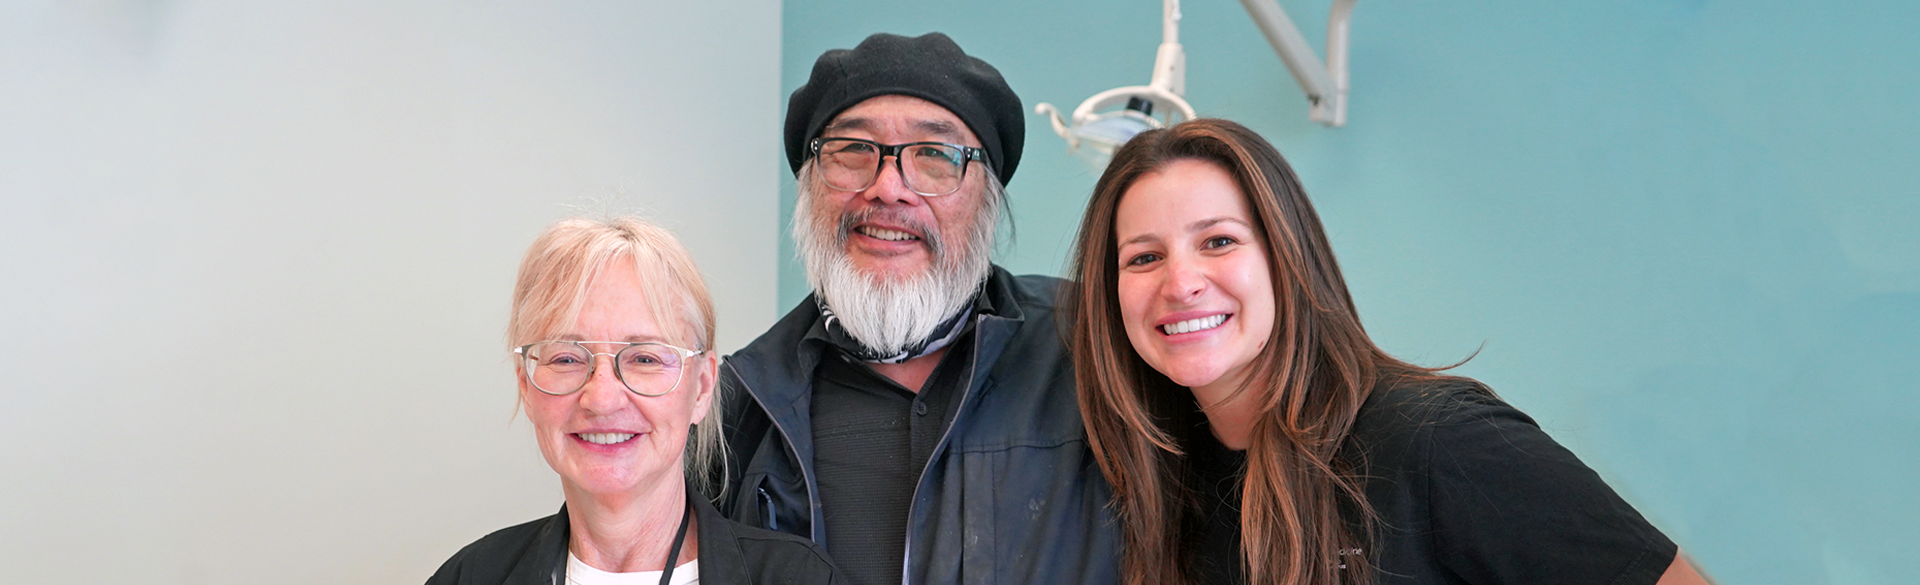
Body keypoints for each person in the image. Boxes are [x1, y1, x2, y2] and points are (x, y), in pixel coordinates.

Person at [1065, 119, 1711, 585]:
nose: (1180, 282)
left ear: (1289, 260)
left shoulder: (1437, 441)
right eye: (1144, 257)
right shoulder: (1167, 478)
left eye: (1219, 241)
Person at [714, 32, 1120, 585]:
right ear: (809, 187)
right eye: (853, 149)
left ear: (988, 197)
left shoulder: (1094, 346)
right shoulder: (735, 406)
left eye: (934, 155)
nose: (888, 188)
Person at [430, 216, 846, 585]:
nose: (602, 398)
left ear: (702, 387)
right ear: (526, 384)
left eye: (645, 358)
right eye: (567, 358)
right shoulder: (469, 576)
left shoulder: (800, 578)